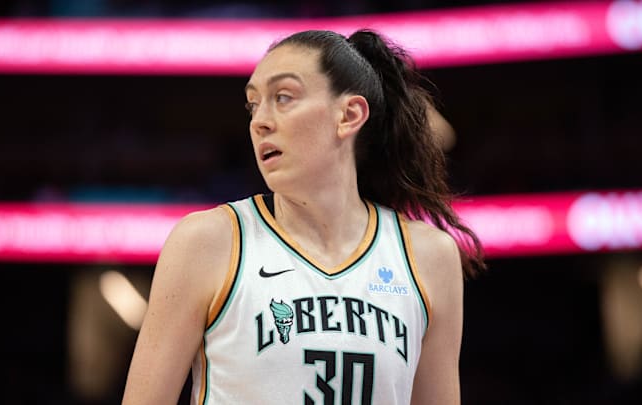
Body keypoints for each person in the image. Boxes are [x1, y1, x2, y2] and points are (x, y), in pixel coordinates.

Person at [122, 29, 485, 405]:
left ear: (349, 115)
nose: (259, 121)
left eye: (283, 97)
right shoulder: (206, 242)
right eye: (253, 104)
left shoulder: (428, 256)